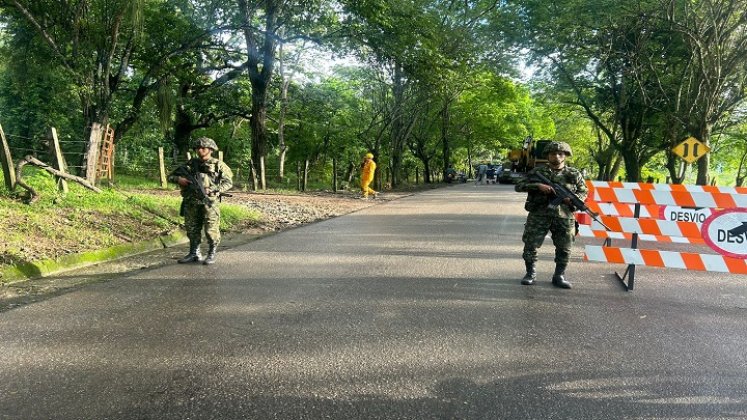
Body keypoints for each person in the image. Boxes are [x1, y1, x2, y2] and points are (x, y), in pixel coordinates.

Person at [514, 141, 587, 289]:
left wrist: (573, 199)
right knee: (530, 244)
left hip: (564, 216)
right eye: (553, 153)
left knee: (565, 247)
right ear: (547, 155)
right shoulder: (537, 172)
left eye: (560, 154)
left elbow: (583, 191)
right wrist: (537, 186)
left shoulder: (573, 174)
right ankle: (530, 274)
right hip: (539, 214)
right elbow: (518, 186)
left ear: (565, 156)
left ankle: (559, 276)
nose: (557, 156)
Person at [168, 137, 233, 265]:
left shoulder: (218, 164)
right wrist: (179, 180)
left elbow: (228, 182)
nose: (200, 150)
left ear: (210, 149)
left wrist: (215, 189)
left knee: (211, 229)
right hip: (191, 202)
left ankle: (211, 252)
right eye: (197, 148)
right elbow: (171, 176)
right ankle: (194, 253)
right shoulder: (190, 164)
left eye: (203, 148)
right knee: (192, 229)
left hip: (209, 202)